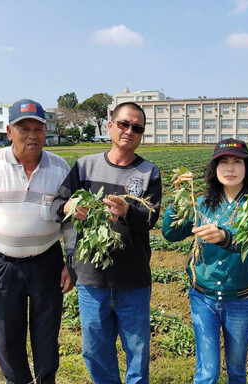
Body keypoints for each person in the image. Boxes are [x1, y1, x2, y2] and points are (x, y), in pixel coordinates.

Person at [0, 98, 77, 384]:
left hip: (47, 262)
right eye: (24, 128)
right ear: (10, 131)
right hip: (2, 265)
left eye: (38, 128)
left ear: (45, 132)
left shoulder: (61, 168)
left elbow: (71, 222)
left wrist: (71, 262)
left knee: (47, 334)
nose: (32, 134)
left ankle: (46, 380)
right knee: (7, 338)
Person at [50, 102, 162, 384]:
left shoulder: (149, 172)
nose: (129, 131)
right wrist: (71, 206)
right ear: (110, 126)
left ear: (141, 134)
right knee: (96, 351)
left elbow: (150, 219)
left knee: (137, 351)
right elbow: (57, 206)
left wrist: (126, 211)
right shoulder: (85, 166)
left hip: (133, 280)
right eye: (124, 124)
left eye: (137, 127)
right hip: (91, 279)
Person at [162, 138, 248, 384]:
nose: (230, 168)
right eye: (224, 162)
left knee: (237, 370)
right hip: (202, 298)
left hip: (240, 298)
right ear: (214, 169)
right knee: (207, 373)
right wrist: (179, 199)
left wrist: (225, 237)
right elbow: (171, 234)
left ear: (246, 168)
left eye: (237, 162)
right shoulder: (201, 203)